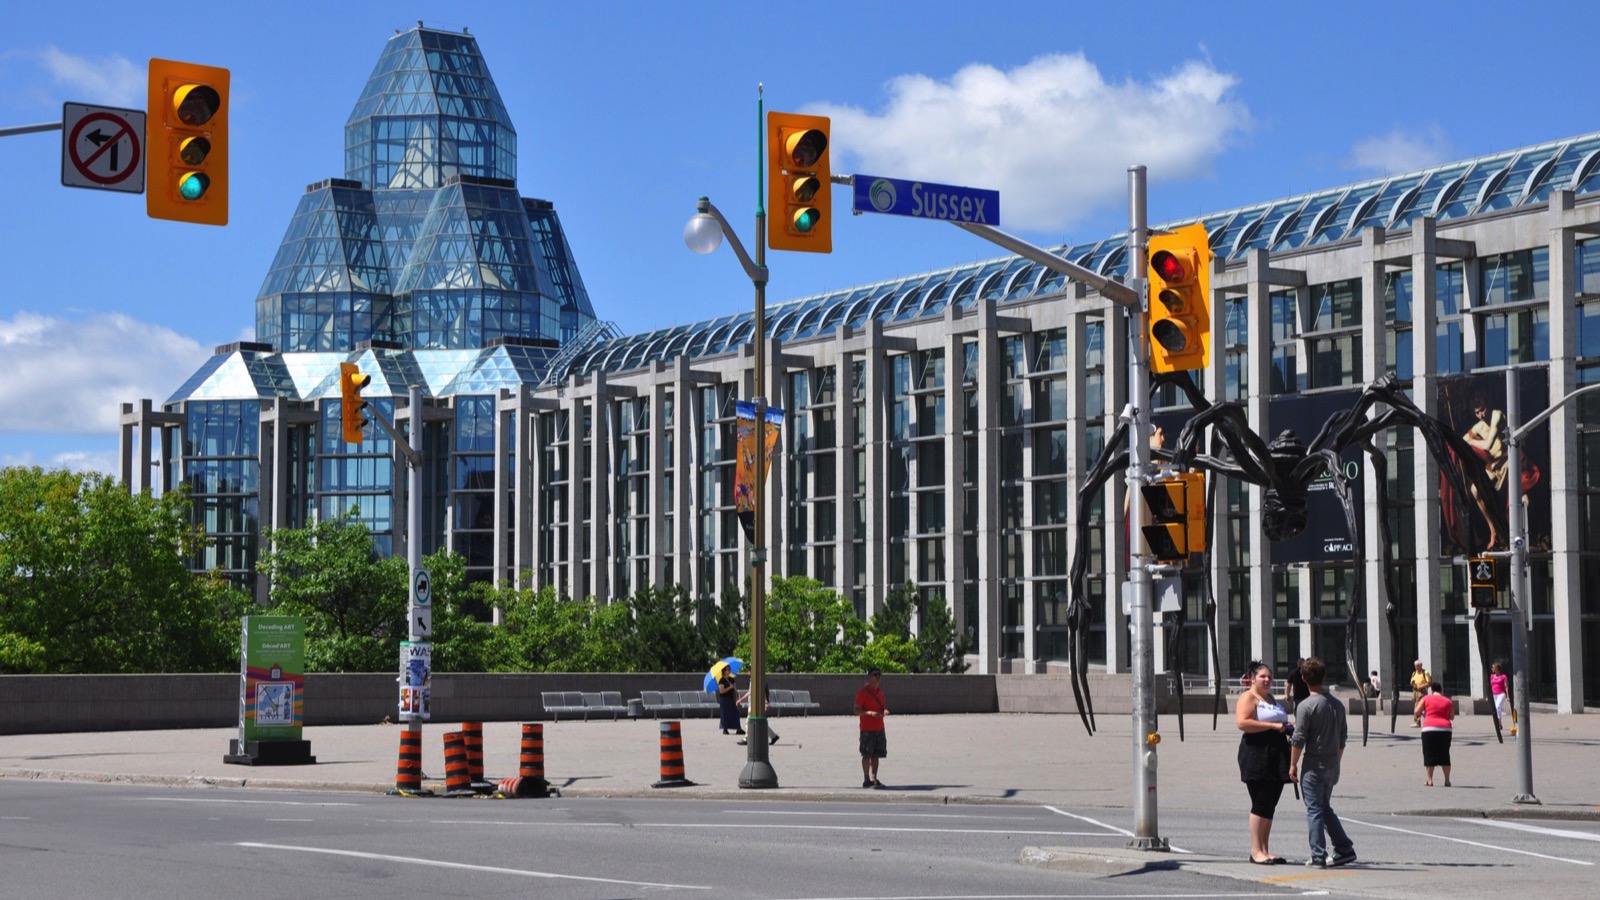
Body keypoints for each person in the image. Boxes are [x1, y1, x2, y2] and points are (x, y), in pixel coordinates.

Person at [1288, 657, 1357, 868]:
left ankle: (1318, 854)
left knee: (1315, 810)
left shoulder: (1305, 706)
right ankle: (1344, 848)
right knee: (1324, 808)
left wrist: (1292, 765)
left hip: (1313, 766)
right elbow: (1343, 737)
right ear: (1324, 677)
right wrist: (1336, 761)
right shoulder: (1337, 705)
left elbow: (1299, 739)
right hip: (1332, 765)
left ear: (1303, 678)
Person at [1236, 661, 1293, 865]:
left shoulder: (1269, 697)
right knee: (1260, 802)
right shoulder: (1248, 697)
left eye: (1269, 676)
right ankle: (1255, 851)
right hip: (1257, 753)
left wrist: (1286, 726)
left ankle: (1265, 849)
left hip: (1276, 753)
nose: (1267, 680)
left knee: (1271, 804)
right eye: (1262, 676)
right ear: (1252, 678)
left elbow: (1276, 722)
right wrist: (1273, 725)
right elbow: (1242, 722)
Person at [854, 667, 889, 788]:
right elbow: (856, 710)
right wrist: (869, 713)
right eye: (875, 674)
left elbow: (881, 707)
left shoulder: (880, 692)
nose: (878, 677)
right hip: (867, 729)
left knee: (876, 755)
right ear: (869, 676)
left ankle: (874, 778)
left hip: (879, 728)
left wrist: (884, 711)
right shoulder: (863, 692)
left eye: (879, 674)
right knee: (866, 754)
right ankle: (866, 779)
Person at [1419, 682, 1454, 787]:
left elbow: (1417, 711)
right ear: (1441, 690)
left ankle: (1429, 780)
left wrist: (1425, 712)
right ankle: (1447, 780)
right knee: (1445, 754)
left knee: (1429, 754)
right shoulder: (1448, 701)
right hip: (1445, 730)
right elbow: (1452, 717)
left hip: (1429, 728)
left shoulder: (1426, 698)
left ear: (1432, 691)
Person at [736, 681, 779, 746]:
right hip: (753, 704)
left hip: (755, 704)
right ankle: (773, 736)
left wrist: (765, 702)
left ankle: (746, 739)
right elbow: (750, 692)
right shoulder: (752, 679)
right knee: (760, 723)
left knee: (748, 722)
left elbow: (761, 692)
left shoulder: (756, 679)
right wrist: (741, 699)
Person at [716, 667, 744, 736]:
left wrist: (736, 698)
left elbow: (734, 690)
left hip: (731, 698)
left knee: (735, 713)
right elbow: (721, 691)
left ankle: (738, 728)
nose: (729, 671)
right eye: (727, 670)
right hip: (724, 699)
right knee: (725, 714)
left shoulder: (731, 679)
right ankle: (725, 729)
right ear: (724, 671)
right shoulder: (722, 680)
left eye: (730, 669)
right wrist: (729, 687)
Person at [1409, 660, 1432, 728]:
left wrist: (1421, 686)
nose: (1416, 667)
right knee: (1423, 708)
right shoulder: (1414, 673)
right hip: (1415, 691)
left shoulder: (1425, 672)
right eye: (1415, 666)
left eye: (1417, 666)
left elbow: (1429, 683)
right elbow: (1411, 681)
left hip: (1422, 691)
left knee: (1417, 706)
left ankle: (1417, 722)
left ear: (1421, 666)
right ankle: (1429, 720)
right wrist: (1412, 683)